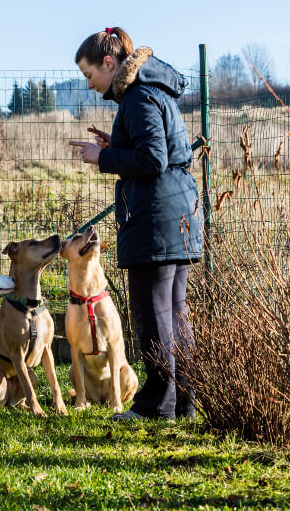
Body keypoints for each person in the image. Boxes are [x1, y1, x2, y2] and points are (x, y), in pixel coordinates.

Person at [69, 27, 202, 421]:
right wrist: (118, 146)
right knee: (175, 314)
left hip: (156, 220)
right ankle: (183, 402)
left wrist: (103, 158)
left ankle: (155, 406)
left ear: (109, 63)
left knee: (153, 316)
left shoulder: (139, 97)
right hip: (175, 214)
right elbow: (155, 151)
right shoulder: (150, 90)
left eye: (90, 75)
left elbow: (153, 161)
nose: (91, 85)